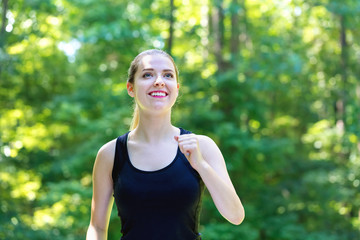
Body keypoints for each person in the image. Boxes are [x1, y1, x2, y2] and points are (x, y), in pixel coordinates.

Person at [86, 49, 244, 240]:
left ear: (176, 88)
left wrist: (200, 165)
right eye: (147, 75)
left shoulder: (202, 146)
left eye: (167, 75)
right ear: (131, 88)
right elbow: (97, 227)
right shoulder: (110, 154)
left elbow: (235, 216)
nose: (159, 81)